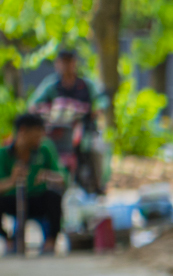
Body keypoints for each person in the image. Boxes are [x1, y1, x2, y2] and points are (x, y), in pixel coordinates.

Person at [27, 46, 106, 195]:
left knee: (96, 149)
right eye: (63, 62)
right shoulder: (51, 85)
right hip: (57, 132)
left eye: (69, 62)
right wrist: (40, 109)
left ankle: (97, 186)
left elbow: (101, 99)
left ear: (75, 63)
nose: (66, 66)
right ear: (57, 64)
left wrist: (97, 109)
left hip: (84, 130)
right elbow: (33, 103)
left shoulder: (86, 84)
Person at [1, 111, 66, 254]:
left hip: (37, 200)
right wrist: (12, 181)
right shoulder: (3, 154)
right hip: (12, 201)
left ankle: (50, 242)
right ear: (23, 131)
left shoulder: (45, 149)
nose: (40, 137)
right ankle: (9, 240)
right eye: (37, 133)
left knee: (54, 196)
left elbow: (63, 178)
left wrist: (47, 176)